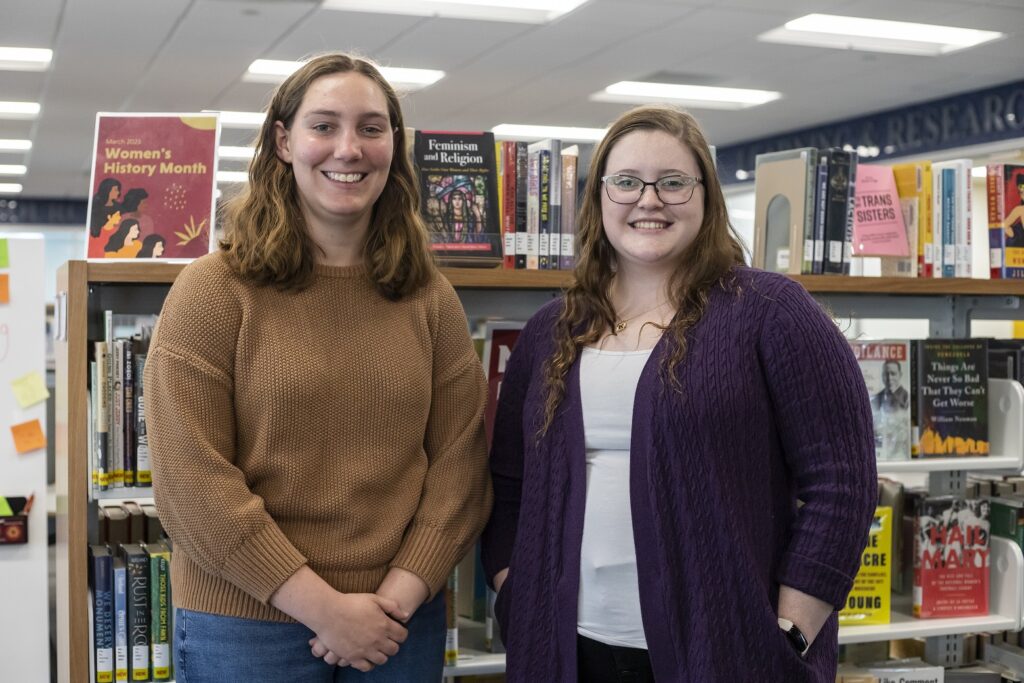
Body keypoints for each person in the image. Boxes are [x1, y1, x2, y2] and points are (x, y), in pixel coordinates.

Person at [480, 105, 877, 682]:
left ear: (706, 197)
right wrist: (512, 588)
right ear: (599, 200)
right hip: (564, 647)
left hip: (725, 652)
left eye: (673, 182)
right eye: (626, 182)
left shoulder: (772, 312)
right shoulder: (551, 329)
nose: (649, 200)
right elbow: (509, 482)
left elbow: (843, 484)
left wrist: (790, 631)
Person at [145, 53, 491, 682]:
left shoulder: (428, 296)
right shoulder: (214, 291)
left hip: (399, 620)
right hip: (246, 620)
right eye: (324, 126)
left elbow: (459, 464)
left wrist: (395, 600)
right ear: (284, 141)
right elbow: (190, 483)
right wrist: (326, 610)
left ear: (394, 146)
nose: (349, 148)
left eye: (371, 128)